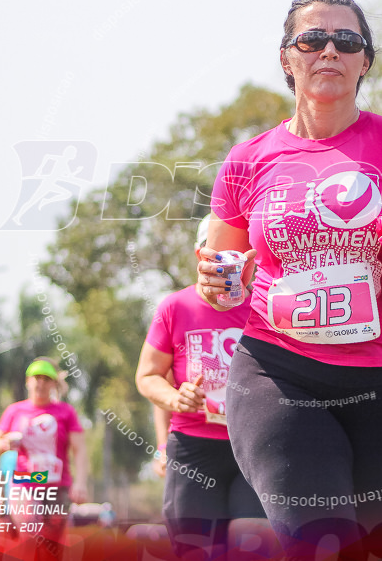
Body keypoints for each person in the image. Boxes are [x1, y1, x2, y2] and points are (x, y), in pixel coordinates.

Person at [196, 0, 382, 557]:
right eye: (312, 39)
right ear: (288, 58)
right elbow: (219, 267)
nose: (328, 51)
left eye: (347, 41)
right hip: (278, 375)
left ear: (365, 62)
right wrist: (212, 281)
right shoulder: (247, 160)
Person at [136, 213, 266, 559]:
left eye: (241, 251)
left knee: (253, 546)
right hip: (194, 451)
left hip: (253, 449)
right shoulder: (175, 307)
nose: (232, 260)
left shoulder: (265, 307)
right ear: (201, 256)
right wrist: (177, 398)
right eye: (221, 252)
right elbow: (148, 375)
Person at [0, 357, 88, 558]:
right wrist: (4, 443)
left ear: (54, 383)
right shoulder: (15, 411)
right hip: (25, 486)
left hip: (58, 487)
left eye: (46, 378)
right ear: (28, 381)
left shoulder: (66, 412)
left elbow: (79, 449)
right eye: (36, 377)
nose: (41, 383)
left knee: (52, 549)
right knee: (28, 536)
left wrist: (81, 483)